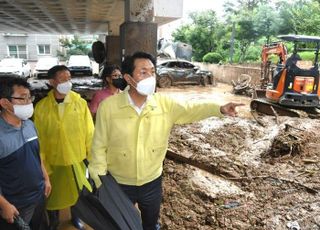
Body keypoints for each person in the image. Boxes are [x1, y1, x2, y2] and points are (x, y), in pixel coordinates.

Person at [89, 51, 243, 230]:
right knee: (119, 224)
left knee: (150, 223)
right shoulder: (109, 107)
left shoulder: (164, 104)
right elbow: (99, 146)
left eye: (152, 72)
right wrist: (99, 182)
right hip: (119, 182)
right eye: (143, 72)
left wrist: (219, 109)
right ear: (129, 79)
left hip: (152, 182)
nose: (150, 77)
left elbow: (190, 109)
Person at [34, 65, 94, 230]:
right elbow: (39, 137)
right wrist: (42, 161)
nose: (67, 82)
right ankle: (54, 220)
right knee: (53, 193)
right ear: (52, 82)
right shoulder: (42, 107)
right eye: (62, 79)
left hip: (76, 157)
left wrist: (91, 154)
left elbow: (89, 131)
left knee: (77, 191)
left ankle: (76, 218)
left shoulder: (79, 103)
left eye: (69, 78)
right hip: (53, 159)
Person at [0, 77, 51, 229]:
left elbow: (36, 155)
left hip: (39, 195)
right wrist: (4, 205)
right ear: (4, 103)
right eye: (23, 98)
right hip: (14, 204)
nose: (29, 102)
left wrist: (46, 178)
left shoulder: (29, 125)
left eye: (30, 97)